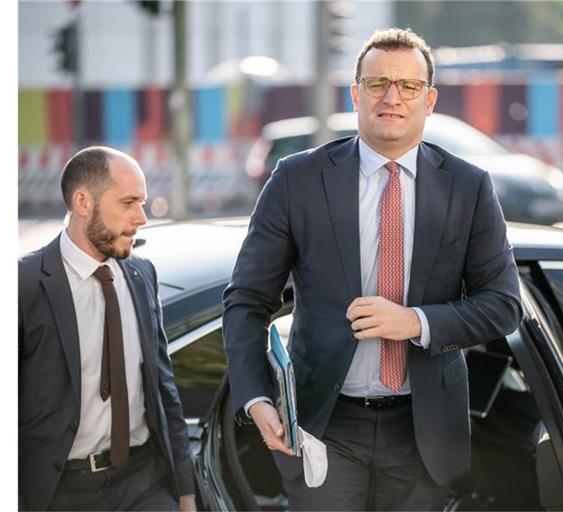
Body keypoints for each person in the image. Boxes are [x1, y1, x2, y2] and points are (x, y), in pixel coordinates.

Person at [223, 28, 522, 511]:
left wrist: (416, 322)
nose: (392, 97)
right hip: (324, 424)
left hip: (424, 430)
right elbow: (246, 300)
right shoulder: (297, 180)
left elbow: (504, 305)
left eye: (407, 86)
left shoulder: (469, 188)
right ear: (356, 93)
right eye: (378, 82)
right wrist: (255, 397)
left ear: (429, 100)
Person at [19, 146, 196, 511]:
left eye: (142, 202)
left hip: (142, 482)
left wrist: (186, 493)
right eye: (129, 202)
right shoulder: (24, 284)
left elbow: (164, 391)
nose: (141, 218)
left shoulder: (140, 274)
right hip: (60, 493)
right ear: (83, 202)